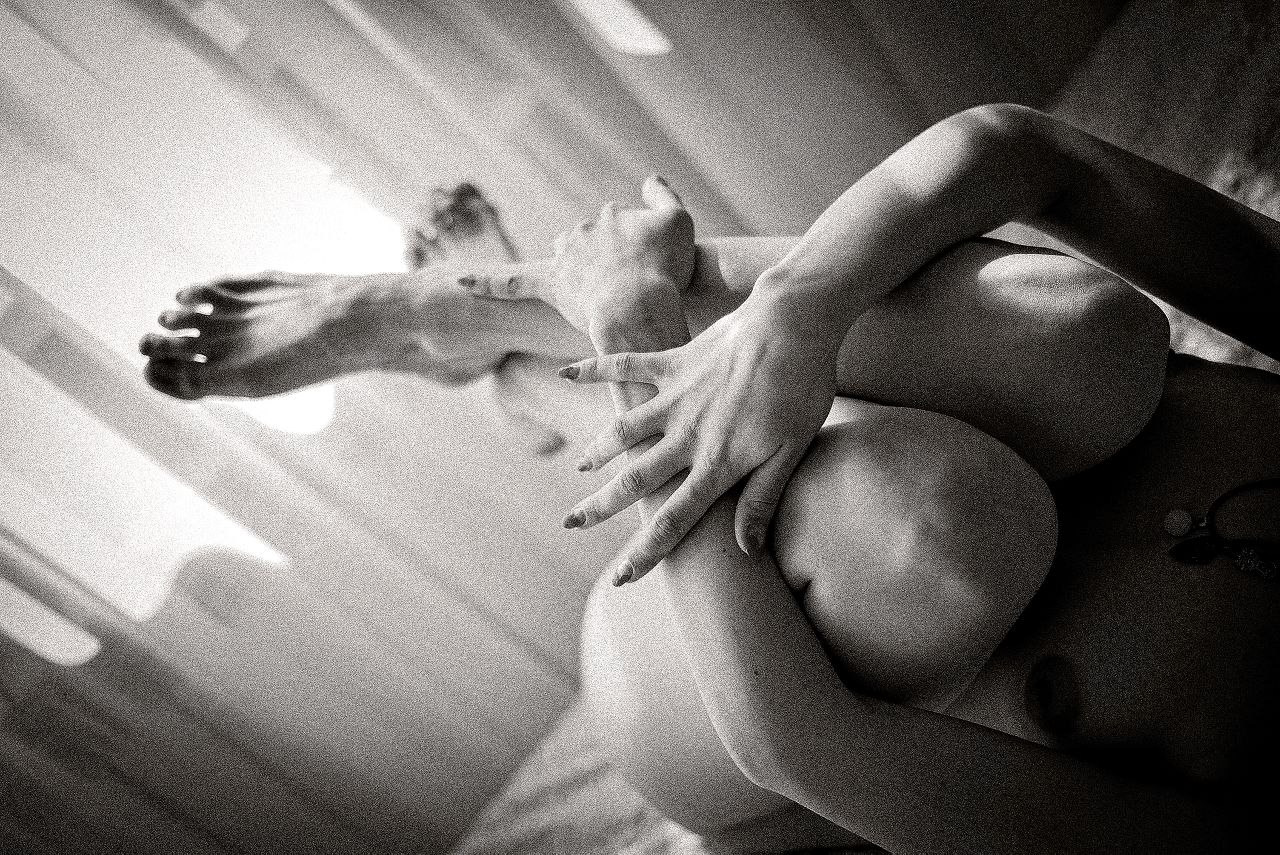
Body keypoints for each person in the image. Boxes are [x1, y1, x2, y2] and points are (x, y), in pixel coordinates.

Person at [140, 104, 1279, 852]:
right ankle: (486, 319)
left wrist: (630, 318)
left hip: (755, 673)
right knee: (1085, 341)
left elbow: (801, 745)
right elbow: (1026, 154)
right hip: (923, 428)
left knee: (939, 525)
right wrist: (800, 307)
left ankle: (529, 345)